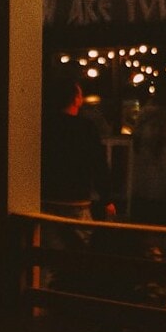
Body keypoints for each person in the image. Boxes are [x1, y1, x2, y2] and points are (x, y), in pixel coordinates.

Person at [41, 69, 111, 250]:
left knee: (48, 251)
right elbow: (99, 165)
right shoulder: (86, 128)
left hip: (47, 200)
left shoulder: (45, 126)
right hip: (77, 201)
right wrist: (107, 198)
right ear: (75, 99)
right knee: (78, 251)